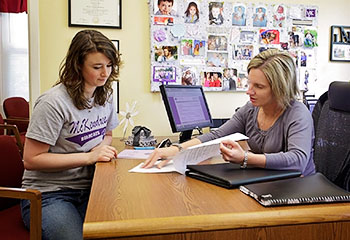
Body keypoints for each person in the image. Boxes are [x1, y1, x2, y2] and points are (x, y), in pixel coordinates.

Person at [142, 49, 316, 177]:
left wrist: (245, 158)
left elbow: (297, 161)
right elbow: (216, 135)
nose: (249, 91)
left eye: (259, 87)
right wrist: (176, 149)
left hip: (297, 187)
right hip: (266, 180)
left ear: (280, 88)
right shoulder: (251, 109)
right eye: (249, 84)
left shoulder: (297, 114)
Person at [21, 30, 121, 240]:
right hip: (49, 194)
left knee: (124, 229)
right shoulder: (53, 103)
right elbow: (31, 159)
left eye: (109, 65)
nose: (106, 73)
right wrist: (89, 157)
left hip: (91, 187)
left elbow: (108, 133)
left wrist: (100, 146)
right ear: (78, 66)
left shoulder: (106, 95)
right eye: (97, 67)